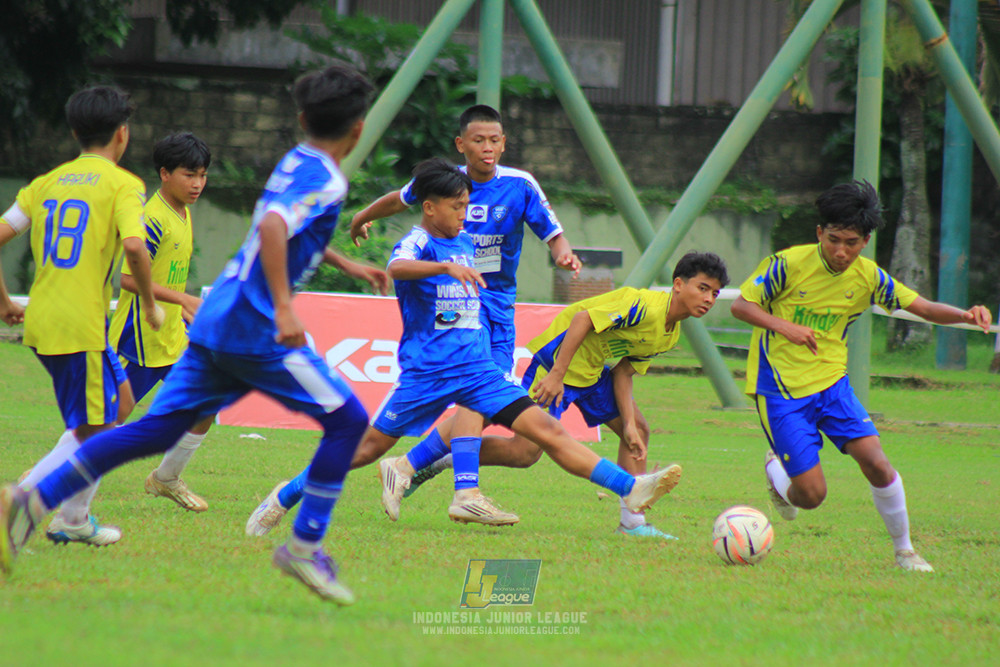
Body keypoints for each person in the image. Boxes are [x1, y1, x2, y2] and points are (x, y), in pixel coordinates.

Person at [0, 63, 390, 605]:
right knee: (348, 421)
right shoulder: (327, 178)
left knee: (155, 429)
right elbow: (276, 228)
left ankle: (30, 501)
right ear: (359, 129)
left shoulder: (296, 161)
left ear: (302, 119)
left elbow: (278, 225)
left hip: (214, 321)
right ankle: (303, 548)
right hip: (255, 329)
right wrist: (283, 307)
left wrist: (344, 263)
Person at [250, 158, 681, 533]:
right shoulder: (422, 243)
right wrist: (443, 266)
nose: (465, 213)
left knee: (547, 432)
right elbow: (397, 266)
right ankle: (283, 497)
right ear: (430, 207)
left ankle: (633, 486)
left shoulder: (463, 238)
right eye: (457, 207)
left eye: (466, 205)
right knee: (364, 449)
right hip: (428, 373)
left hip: (477, 371)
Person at [246, 104, 582, 533]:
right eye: (479, 140)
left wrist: (563, 253)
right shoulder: (442, 188)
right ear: (462, 145)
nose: (488, 148)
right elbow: (400, 207)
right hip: (453, 320)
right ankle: (462, 491)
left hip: (496, 306)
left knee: (510, 436)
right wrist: (365, 215)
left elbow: (551, 230)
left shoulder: (520, 185)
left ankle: (410, 468)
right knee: (468, 406)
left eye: (495, 140)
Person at [730, 180, 993, 572]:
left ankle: (905, 551)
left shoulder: (868, 277)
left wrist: (965, 315)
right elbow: (741, 307)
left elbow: (920, 307)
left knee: (876, 462)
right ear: (820, 233)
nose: (841, 251)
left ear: (866, 240)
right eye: (833, 239)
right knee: (812, 496)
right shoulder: (787, 265)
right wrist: (787, 328)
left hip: (833, 386)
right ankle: (775, 469)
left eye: (851, 242)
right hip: (781, 392)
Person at [395, 251, 730, 540]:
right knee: (523, 452)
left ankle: (632, 522)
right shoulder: (645, 306)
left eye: (715, 293)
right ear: (678, 284)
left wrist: (627, 423)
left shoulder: (670, 335)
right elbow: (582, 319)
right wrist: (556, 374)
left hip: (593, 373)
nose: (708, 298)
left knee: (638, 430)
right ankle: (442, 459)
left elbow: (624, 373)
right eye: (702, 288)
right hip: (556, 365)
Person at [0, 85, 163, 547]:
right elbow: (134, 245)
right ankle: (24, 501)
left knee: (121, 406)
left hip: (45, 319)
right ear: (123, 134)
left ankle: (74, 519)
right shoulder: (124, 184)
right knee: (97, 430)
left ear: (75, 132)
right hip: (80, 325)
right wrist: (150, 304)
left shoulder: (46, 182)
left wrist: (4, 301)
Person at [107, 132, 214, 512]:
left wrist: (182, 308)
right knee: (109, 417)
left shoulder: (182, 212)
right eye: (189, 175)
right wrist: (182, 298)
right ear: (165, 173)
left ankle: (166, 477)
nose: (198, 183)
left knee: (207, 402)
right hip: (139, 337)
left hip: (172, 334)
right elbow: (127, 278)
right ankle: (42, 480)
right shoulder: (151, 219)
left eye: (202, 174)